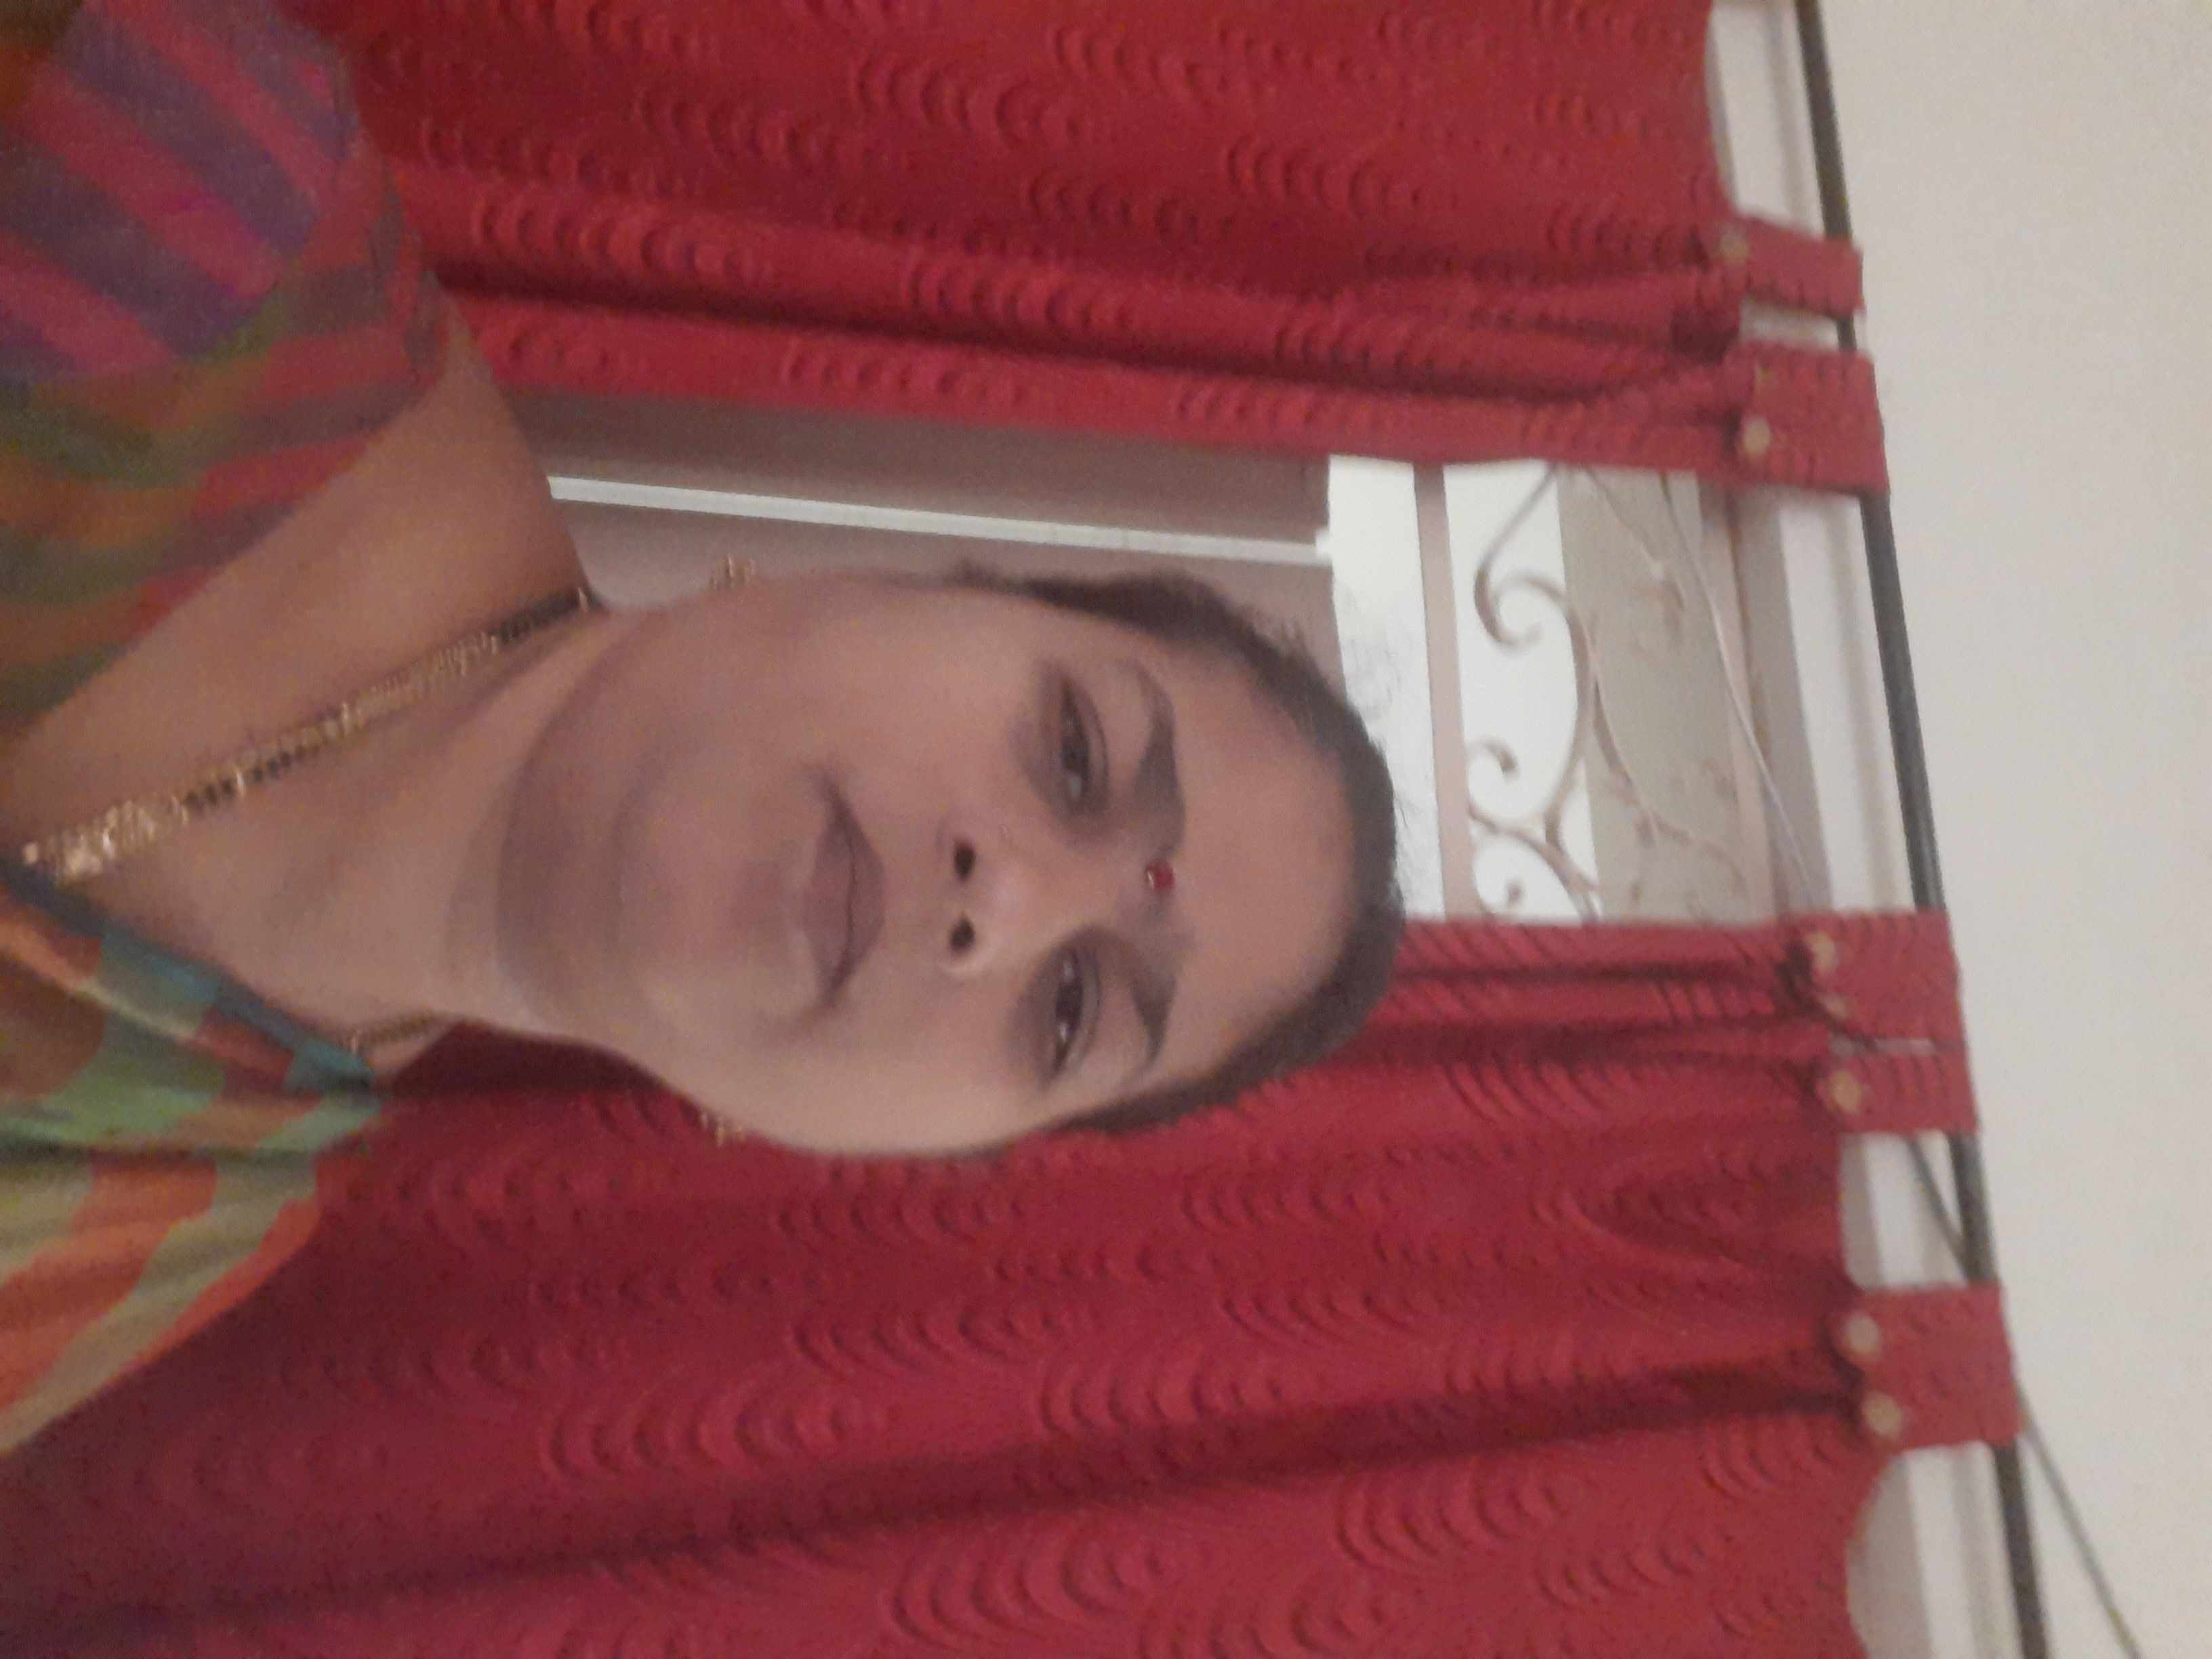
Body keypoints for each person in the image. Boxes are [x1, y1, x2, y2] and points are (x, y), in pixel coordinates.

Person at [0, 0, 1399, 1449]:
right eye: (1076, 756)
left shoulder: (168, 1210)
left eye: (1071, 1013)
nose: (1007, 904)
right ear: (900, 582)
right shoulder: (184, 200)